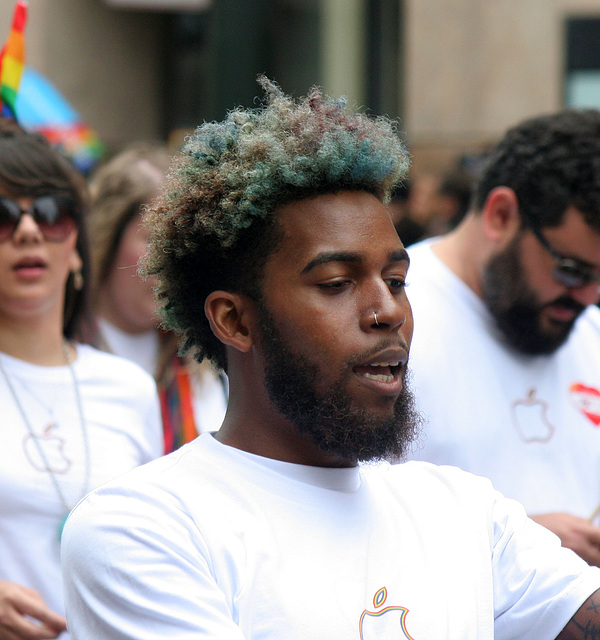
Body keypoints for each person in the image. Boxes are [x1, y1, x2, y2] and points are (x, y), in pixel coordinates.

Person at [61, 79, 600, 639]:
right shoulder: (145, 527)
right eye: (338, 283)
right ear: (234, 320)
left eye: (396, 280)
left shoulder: (467, 512)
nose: (387, 310)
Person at [404, 109, 600, 567]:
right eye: (571, 271)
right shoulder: (388, 324)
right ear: (501, 214)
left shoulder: (588, 331)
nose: (588, 297)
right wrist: (509, 546)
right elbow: (333, 526)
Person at [0, 119, 163, 640]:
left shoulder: (129, 388)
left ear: (76, 247)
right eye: (3, 216)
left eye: (50, 214)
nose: (28, 231)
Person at [87, 142, 228, 451]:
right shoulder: (64, 355)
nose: (172, 261)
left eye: (185, 245)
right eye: (153, 240)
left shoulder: (204, 362)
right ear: (105, 237)